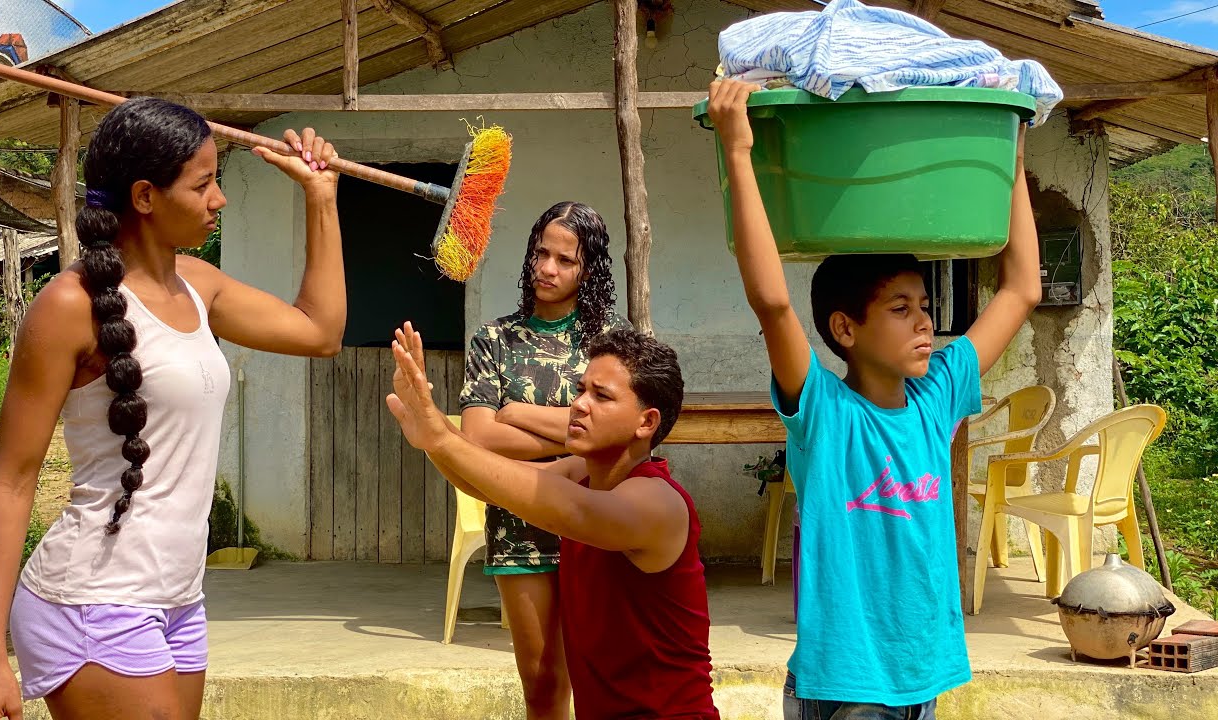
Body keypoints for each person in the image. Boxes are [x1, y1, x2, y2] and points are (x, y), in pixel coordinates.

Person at [0, 97, 345, 720]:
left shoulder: (199, 283)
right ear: (145, 197)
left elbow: (320, 332)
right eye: (204, 185)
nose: (219, 199)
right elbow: (11, 479)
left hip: (178, 600)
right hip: (92, 598)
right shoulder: (70, 305)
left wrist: (321, 199)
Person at [707, 78, 1041, 719]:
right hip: (847, 688)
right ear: (845, 329)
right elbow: (772, 301)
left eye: (925, 306)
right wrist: (739, 152)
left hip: (923, 678)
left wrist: (1013, 159)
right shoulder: (825, 415)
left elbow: (1021, 288)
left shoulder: (936, 396)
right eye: (900, 308)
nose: (924, 323)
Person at [392, 322, 717, 720]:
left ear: (646, 423)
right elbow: (492, 487)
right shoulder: (583, 470)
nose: (579, 404)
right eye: (581, 389)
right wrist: (433, 429)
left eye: (601, 396)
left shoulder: (658, 502)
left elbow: (569, 508)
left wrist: (440, 437)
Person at [458, 201, 630, 718]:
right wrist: (576, 433)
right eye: (541, 254)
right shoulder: (494, 340)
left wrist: (514, 411)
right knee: (543, 684)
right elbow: (477, 438)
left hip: (597, 520)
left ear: (590, 268)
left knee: (606, 674)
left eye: (565, 260)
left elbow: (621, 436)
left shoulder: (614, 343)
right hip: (520, 525)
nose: (547, 269)